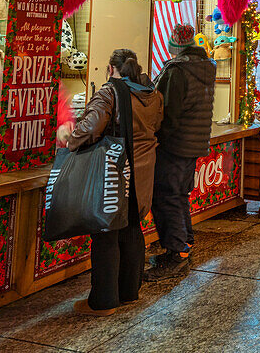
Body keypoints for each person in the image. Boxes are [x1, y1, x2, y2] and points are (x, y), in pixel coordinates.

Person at [62, 49, 162, 315]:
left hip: (115, 170)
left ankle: (103, 301)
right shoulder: (152, 93)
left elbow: (92, 127)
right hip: (142, 172)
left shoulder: (109, 92)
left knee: (106, 234)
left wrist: (70, 138)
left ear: (110, 69)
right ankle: (129, 292)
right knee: (131, 229)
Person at [143, 25, 215, 281]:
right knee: (179, 194)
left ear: (176, 44)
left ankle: (176, 254)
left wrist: (157, 138)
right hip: (194, 142)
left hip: (174, 143)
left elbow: (168, 111)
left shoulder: (177, 71)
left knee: (166, 196)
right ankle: (186, 241)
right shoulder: (206, 66)